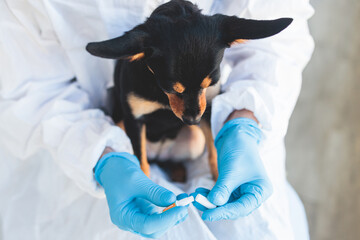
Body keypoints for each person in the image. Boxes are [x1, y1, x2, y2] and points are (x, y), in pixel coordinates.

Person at [0, 0, 314, 239]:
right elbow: (26, 87)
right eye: (175, 93)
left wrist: (244, 122)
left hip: (223, 126)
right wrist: (104, 159)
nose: (193, 113)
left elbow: (277, 46)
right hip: (90, 141)